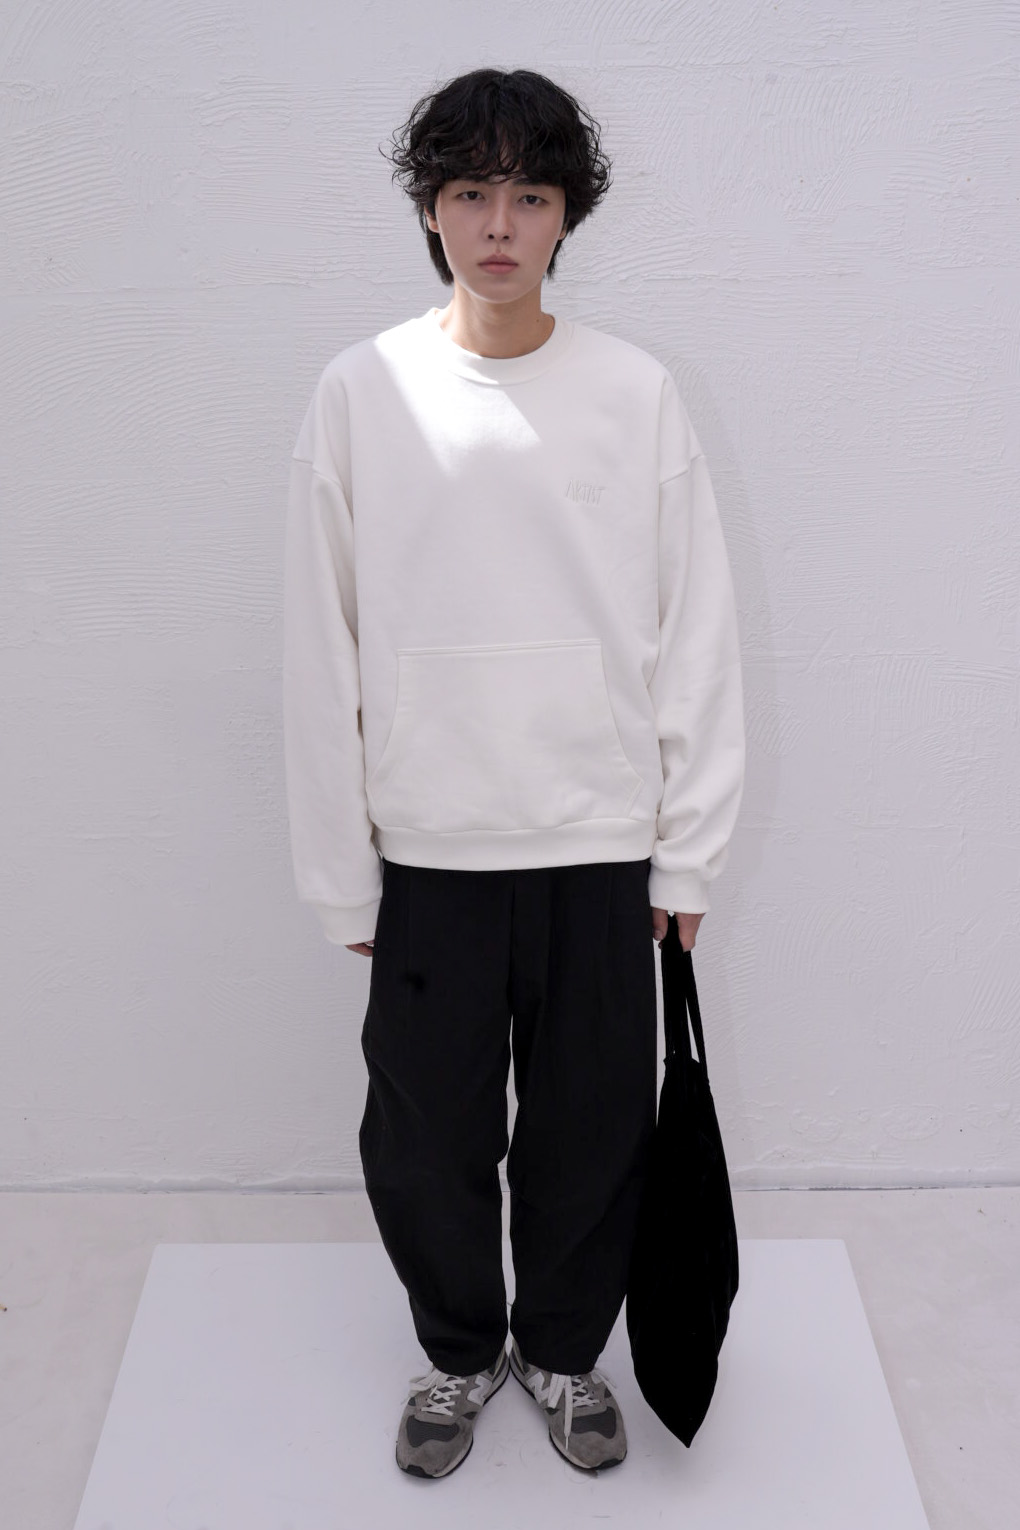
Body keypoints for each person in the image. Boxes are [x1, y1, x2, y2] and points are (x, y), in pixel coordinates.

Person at [282, 67, 745, 1480]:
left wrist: (688, 849)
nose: (499, 223)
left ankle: (559, 1349)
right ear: (431, 210)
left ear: (565, 217)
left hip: (598, 841)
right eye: (471, 191)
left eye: (530, 195)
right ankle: (459, 1350)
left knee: (592, 1130)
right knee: (425, 1137)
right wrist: (340, 867)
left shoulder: (634, 394)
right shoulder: (363, 391)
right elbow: (319, 644)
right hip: (432, 848)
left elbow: (695, 629)